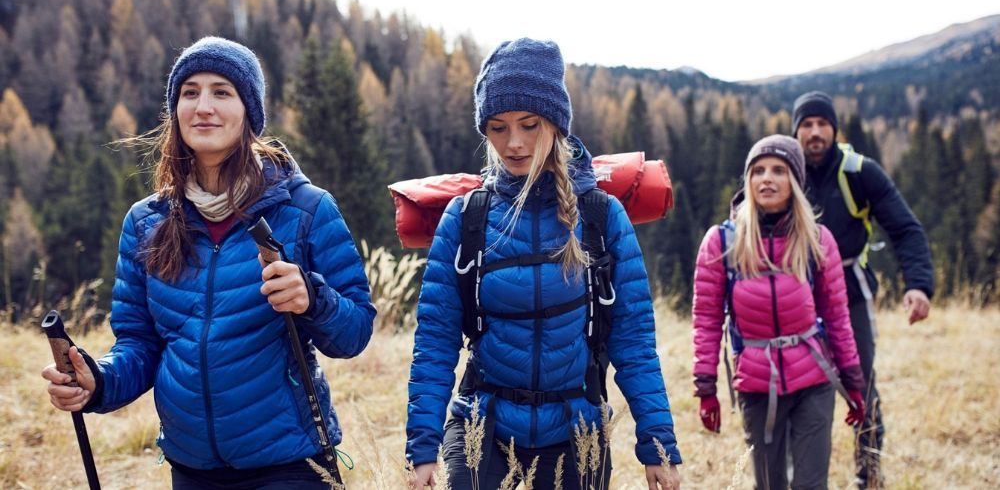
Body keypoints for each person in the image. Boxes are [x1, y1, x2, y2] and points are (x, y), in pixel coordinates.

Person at [41, 36, 376, 488]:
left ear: (249, 113)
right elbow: (140, 345)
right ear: (175, 109)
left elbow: (354, 333)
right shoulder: (146, 222)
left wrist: (313, 298)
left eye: (222, 92)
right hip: (192, 468)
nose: (203, 107)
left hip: (290, 465)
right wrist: (96, 381)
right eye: (190, 92)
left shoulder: (306, 210)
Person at [405, 38, 682, 490]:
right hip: (483, 433)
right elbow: (435, 340)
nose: (513, 143)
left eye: (529, 124)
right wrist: (422, 446)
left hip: (577, 436)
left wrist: (659, 445)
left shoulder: (600, 215)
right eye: (497, 128)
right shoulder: (465, 218)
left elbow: (633, 340)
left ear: (556, 123)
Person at [692, 135, 866, 489]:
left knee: (810, 484)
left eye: (778, 170)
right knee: (769, 485)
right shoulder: (721, 242)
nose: (766, 179)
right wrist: (706, 387)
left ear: (795, 182)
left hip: (814, 380)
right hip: (757, 383)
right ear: (748, 181)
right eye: (757, 171)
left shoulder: (817, 240)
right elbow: (707, 321)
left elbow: (837, 316)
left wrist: (853, 380)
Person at [791, 91, 934, 488]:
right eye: (806, 125)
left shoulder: (859, 172)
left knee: (861, 382)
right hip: (794, 294)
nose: (815, 133)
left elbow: (906, 229)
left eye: (822, 124)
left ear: (835, 130)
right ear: (796, 131)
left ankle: (868, 476)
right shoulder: (784, 172)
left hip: (850, 289)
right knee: (793, 389)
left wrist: (919, 285)